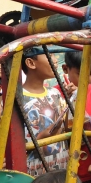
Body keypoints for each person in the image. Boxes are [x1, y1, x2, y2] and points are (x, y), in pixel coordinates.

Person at [56, 51, 91, 183]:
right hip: (62, 169)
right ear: (65, 69)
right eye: (80, 73)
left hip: (90, 165)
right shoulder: (56, 94)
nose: (87, 79)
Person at [21, 47, 68, 175]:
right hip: (33, 173)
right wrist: (41, 138)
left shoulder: (56, 93)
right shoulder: (17, 98)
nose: (55, 59)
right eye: (50, 55)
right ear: (31, 63)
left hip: (61, 167)